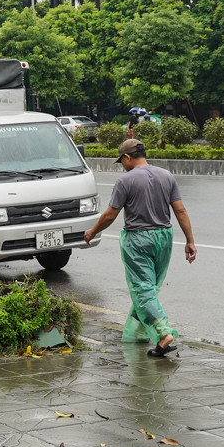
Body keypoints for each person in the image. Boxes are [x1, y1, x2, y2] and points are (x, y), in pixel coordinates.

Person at [83, 139, 197, 358]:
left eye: (121, 161)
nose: (122, 165)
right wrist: (190, 241)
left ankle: (164, 334)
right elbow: (180, 211)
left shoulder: (125, 181)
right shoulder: (166, 176)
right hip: (164, 237)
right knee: (150, 287)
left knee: (142, 288)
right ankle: (137, 333)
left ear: (127, 157)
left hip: (138, 239)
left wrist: (93, 231)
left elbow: (110, 215)